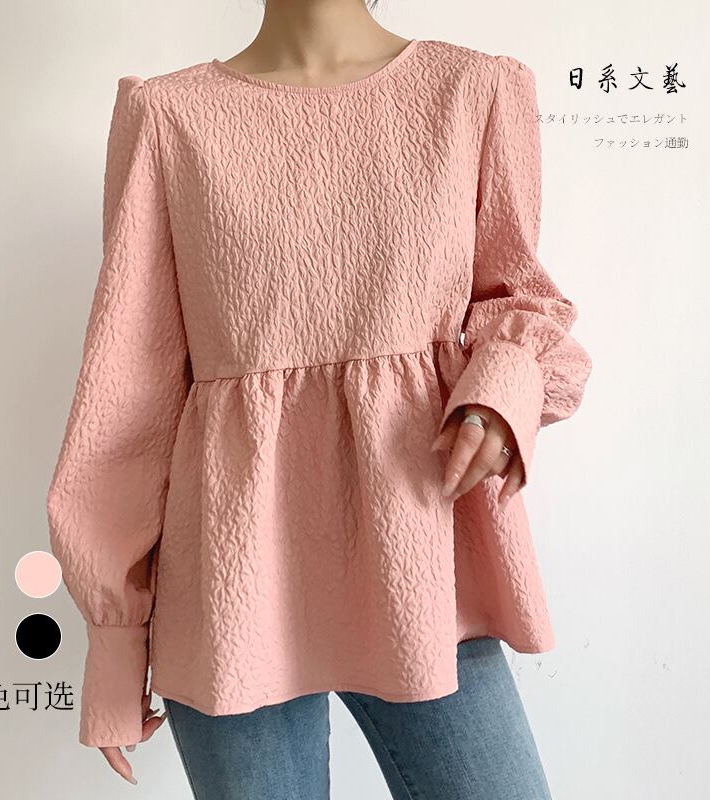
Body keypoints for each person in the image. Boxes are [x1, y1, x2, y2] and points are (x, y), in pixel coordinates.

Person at [46, 1, 592, 797]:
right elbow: (127, 386)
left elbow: (522, 299)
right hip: (231, 579)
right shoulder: (168, 116)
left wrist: (500, 393)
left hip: (421, 552)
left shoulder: (472, 90)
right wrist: (116, 633)